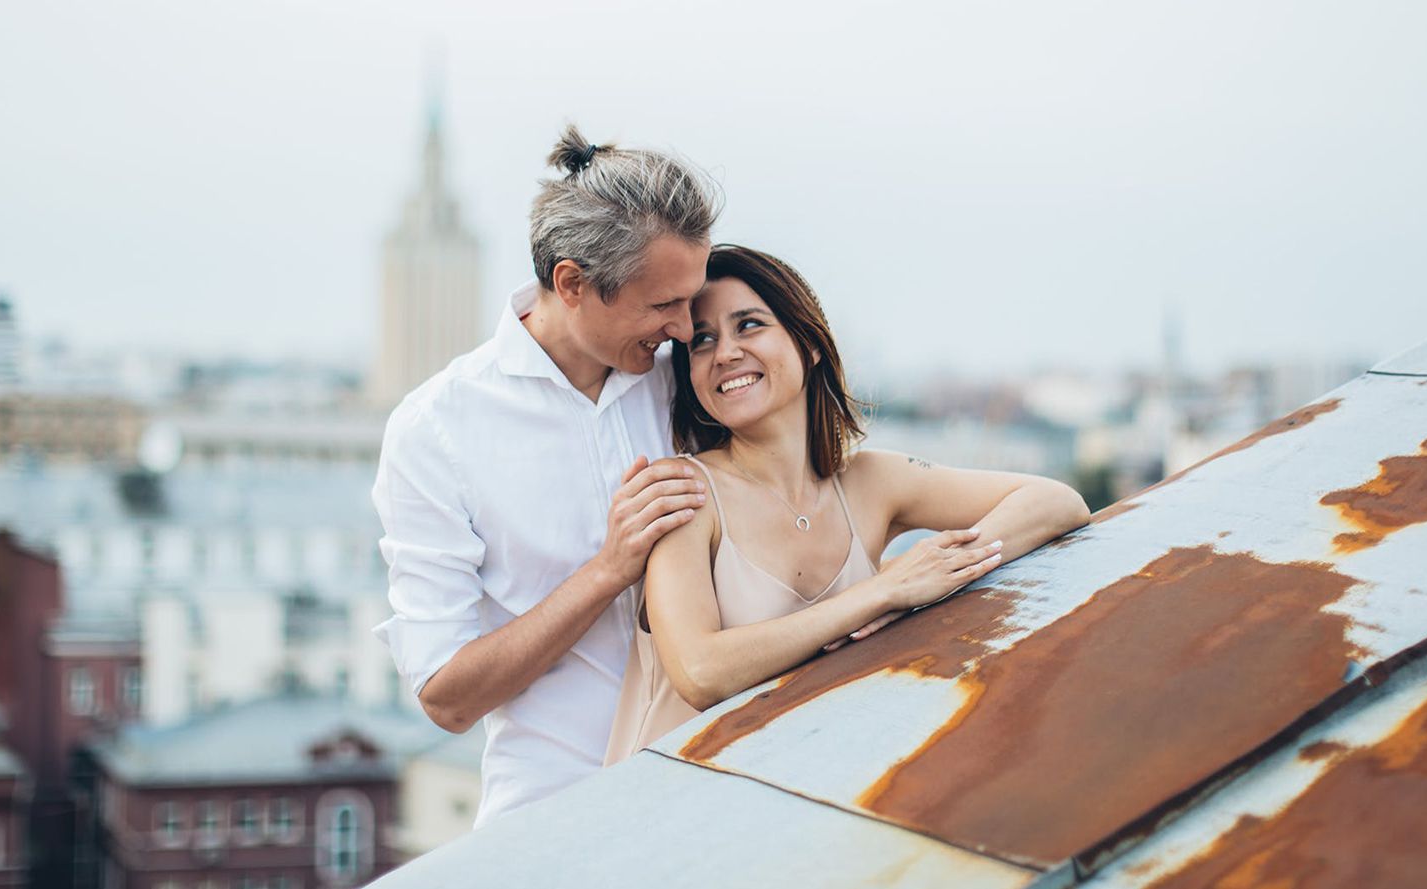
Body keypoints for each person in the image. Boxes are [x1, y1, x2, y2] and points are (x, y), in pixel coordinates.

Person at [605, 245, 1092, 763]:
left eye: (748, 325)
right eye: (702, 341)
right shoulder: (682, 492)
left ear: (809, 343)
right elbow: (701, 673)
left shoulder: (869, 480)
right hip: (660, 813)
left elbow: (1056, 501)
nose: (724, 352)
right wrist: (882, 593)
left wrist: (937, 574)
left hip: (798, 788)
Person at [373, 125, 720, 825]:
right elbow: (446, 697)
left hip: (715, 802)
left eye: (692, 299)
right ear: (572, 283)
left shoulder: (693, 385)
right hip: (556, 824)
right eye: (662, 306)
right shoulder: (435, 431)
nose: (686, 328)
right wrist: (608, 567)